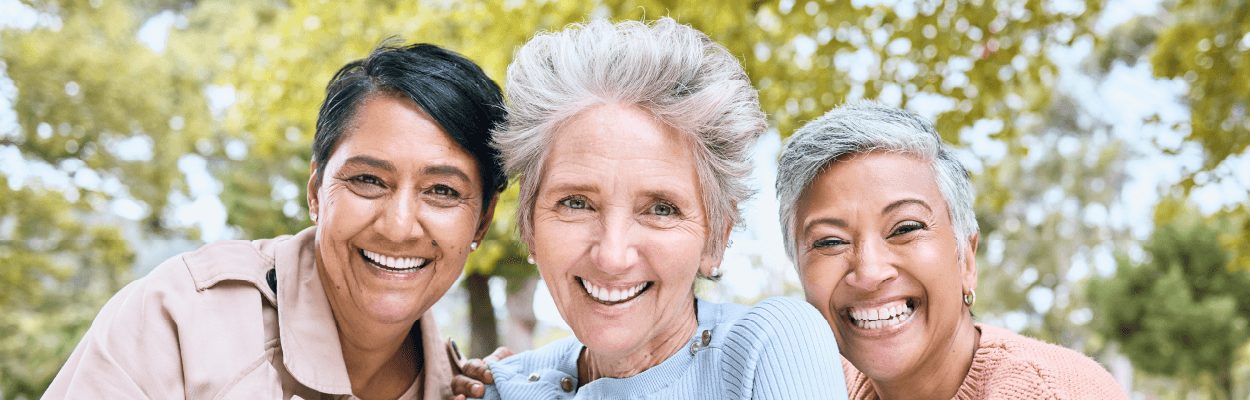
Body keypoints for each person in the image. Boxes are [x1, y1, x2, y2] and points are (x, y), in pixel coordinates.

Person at [44, 42, 507, 399]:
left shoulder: (472, 389)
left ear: (481, 225)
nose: (400, 225)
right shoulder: (181, 317)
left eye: (442, 191)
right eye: (369, 180)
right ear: (315, 193)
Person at [453, 18, 846, 400]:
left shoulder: (768, 346)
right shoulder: (497, 386)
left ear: (717, 237)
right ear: (529, 225)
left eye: (661, 209)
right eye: (576, 203)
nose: (612, 255)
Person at [775, 101, 1127, 399]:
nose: (868, 273)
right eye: (830, 242)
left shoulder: (1056, 390)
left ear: (966, 260)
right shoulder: (809, 386)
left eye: (905, 229)